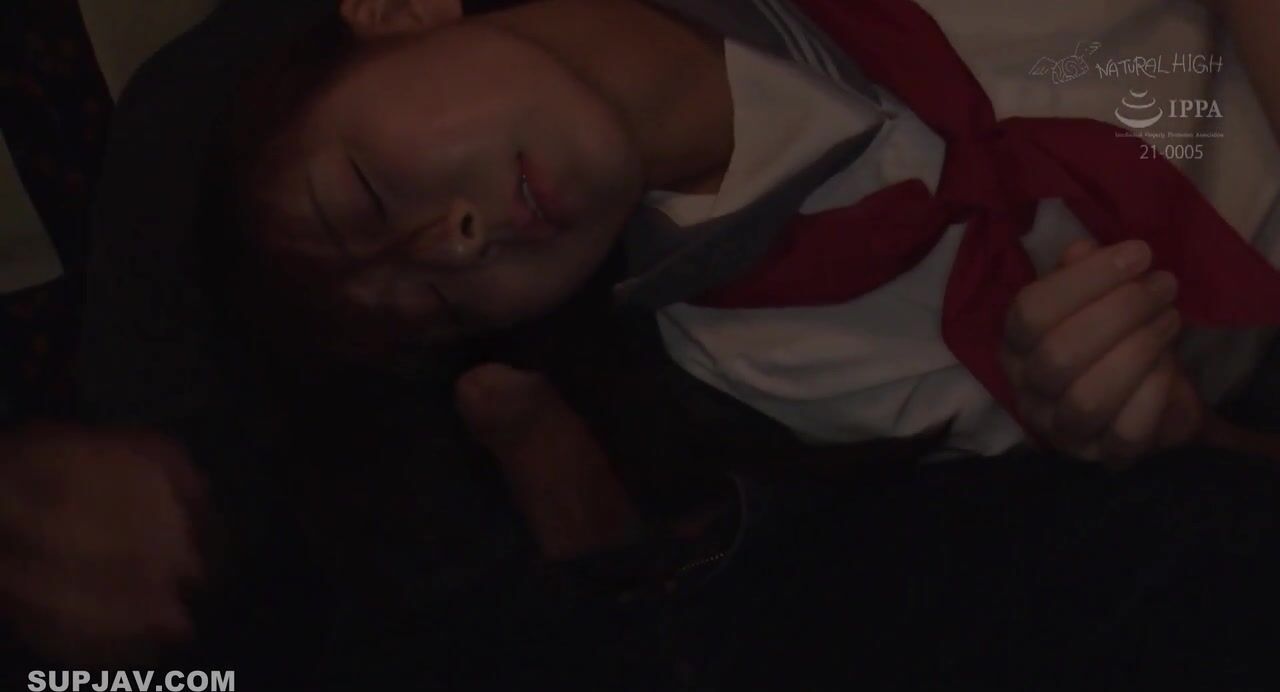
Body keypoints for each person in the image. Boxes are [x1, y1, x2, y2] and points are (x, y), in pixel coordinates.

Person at [216, 0, 1280, 462]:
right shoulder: (771, 357)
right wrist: (1162, 431)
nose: (453, 242)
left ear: (397, 11)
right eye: (442, 304)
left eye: (363, 194)